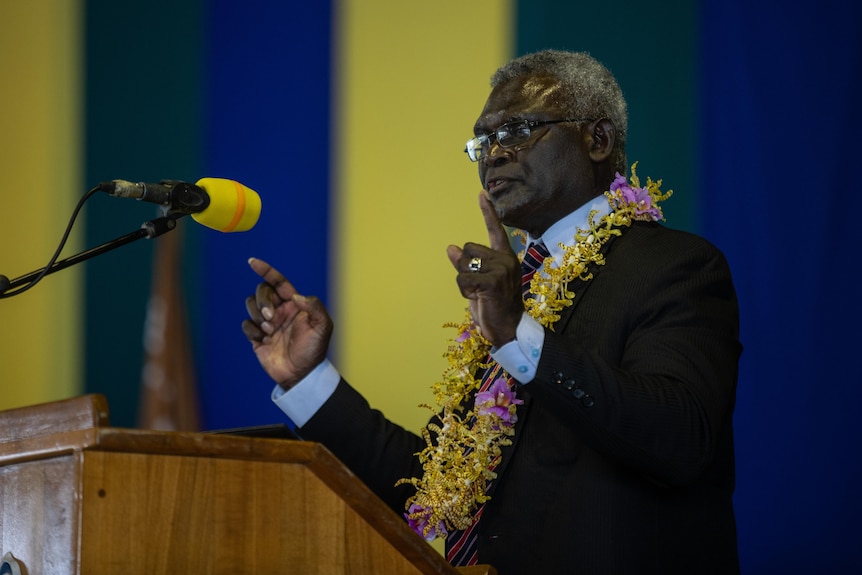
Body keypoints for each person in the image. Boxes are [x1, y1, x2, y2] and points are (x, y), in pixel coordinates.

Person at [242, 50, 742, 574]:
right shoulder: (516, 290)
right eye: (483, 141)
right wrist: (308, 380)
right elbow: (430, 482)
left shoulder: (675, 266)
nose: (492, 155)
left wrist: (517, 335)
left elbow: (680, 439)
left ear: (597, 139)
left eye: (518, 130)